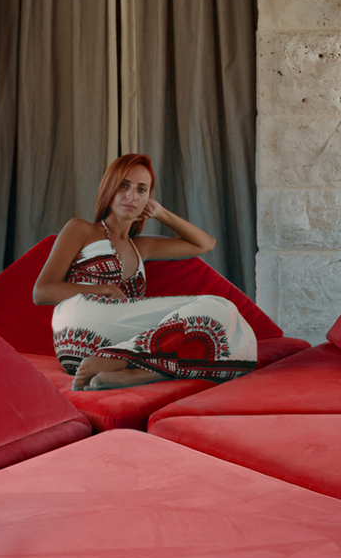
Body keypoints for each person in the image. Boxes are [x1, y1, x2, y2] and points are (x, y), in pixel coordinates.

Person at [34, 154, 255, 390]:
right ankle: (127, 361)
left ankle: (136, 371)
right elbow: (41, 292)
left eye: (141, 190)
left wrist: (160, 212)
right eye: (124, 185)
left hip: (117, 340)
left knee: (226, 318)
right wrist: (105, 289)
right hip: (78, 325)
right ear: (109, 189)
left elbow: (205, 244)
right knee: (216, 306)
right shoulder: (81, 229)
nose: (132, 196)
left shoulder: (141, 246)